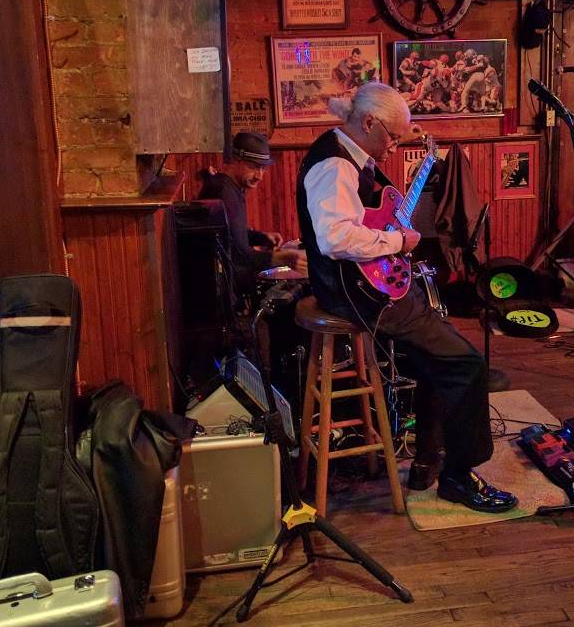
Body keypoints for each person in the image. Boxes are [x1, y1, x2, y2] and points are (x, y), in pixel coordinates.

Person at [295, 82, 518, 513]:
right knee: (468, 365)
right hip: (356, 294)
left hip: (359, 286)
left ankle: (427, 462)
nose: (394, 147)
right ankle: (458, 477)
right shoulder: (336, 166)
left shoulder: (346, 151)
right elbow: (335, 238)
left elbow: (356, 220)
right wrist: (398, 242)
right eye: (392, 137)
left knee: (440, 358)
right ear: (369, 122)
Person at [199, 132, 306, 296]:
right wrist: (281, 258)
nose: (260, 176)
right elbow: (236, 255)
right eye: (254, 167)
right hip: (216, 291)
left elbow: (229, 236)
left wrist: (260, 237)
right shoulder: (223, 192)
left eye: (263, 168)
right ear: (235, 160)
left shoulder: (229, 188)